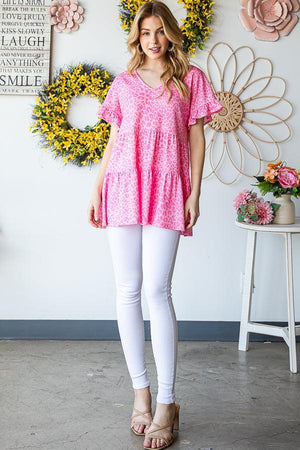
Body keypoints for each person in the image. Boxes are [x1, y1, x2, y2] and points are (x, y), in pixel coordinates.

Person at [88, 2, 223, 448]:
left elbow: (197, 137)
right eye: (145, 32)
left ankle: (167, 403)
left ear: (171, 35)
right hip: (123, 186)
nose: (153, 39)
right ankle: (141, 397)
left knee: (156, 291)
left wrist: (195, 192)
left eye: (160, 31)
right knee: (127, 289)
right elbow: (113, 139)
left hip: (167, 187)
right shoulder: (123, 83)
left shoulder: (190, 80)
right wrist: (97, 188)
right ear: (136, 37)